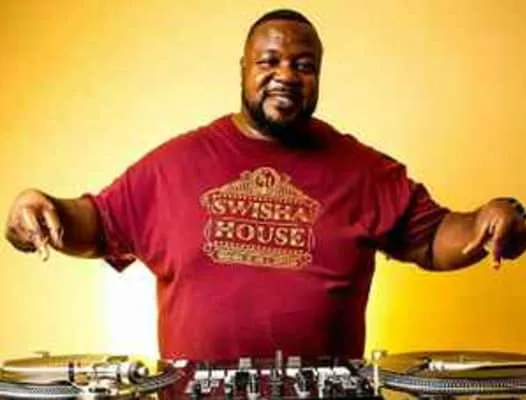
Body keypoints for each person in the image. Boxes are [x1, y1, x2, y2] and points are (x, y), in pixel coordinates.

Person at [4, 9, 526, 362]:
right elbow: (98, 225)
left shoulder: (364, 171)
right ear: (243, 69)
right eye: (270, 61)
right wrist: (42, 208)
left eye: (304, 66)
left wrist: (492, 219)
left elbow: (434, 239)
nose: (287, 75)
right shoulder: (175, 164)